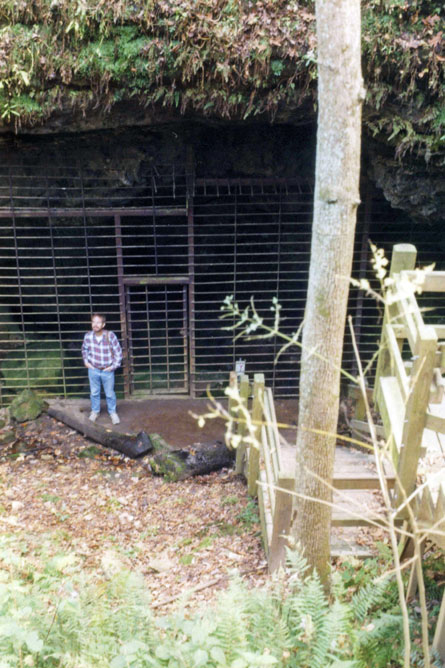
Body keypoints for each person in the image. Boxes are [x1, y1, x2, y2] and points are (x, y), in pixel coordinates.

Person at [82, 313, 123, 424]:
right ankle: (95, 412)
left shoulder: (110, 336)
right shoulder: (88, 336)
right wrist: (86, 362)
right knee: (94, 393)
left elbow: (118, 353)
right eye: (93, 322)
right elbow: (84, 349)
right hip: (93, 369)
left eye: (98, 322)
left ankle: (112, 413)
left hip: (107, 370)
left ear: (103, 324)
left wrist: (113, 367)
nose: (95, 324)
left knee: (109, 393)